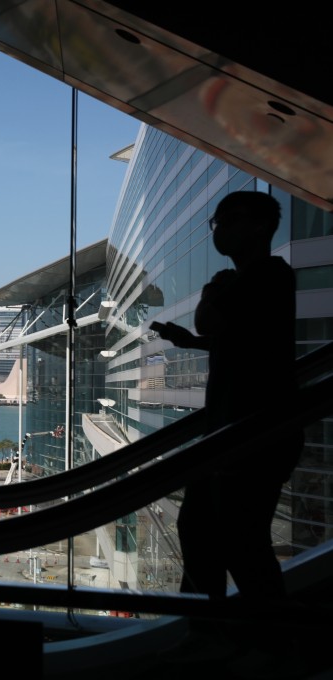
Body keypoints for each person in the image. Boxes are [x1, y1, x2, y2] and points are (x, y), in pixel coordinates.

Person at [150, 191, 301, 600]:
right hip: (235, 429)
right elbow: (244, 341)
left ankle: (262, 631)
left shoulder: (267, 275)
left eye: (229, 221)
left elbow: (210, 320)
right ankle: (208, 624)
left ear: (261, 225)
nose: (219, 230)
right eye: (217, 222)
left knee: (239, 540)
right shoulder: (256, 280)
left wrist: (212, 290)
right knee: (203, 528)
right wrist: (192, 342)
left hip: (252, 431)